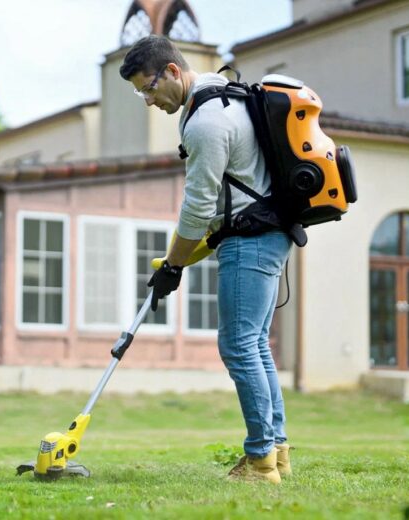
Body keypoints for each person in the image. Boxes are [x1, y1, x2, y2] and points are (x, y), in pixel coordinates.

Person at [120, 35, 292, 484]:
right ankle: (277, 451)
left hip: (250, 240)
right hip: (266, 234)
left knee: (238, 345)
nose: (147, 100)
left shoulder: (204, 123)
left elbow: (197, 209)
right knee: (254, 344)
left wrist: (174, 265)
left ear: (173, 72)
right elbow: (217, 207)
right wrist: (174, 262)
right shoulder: (223, 94)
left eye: (148, 89)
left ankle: (260, 463)